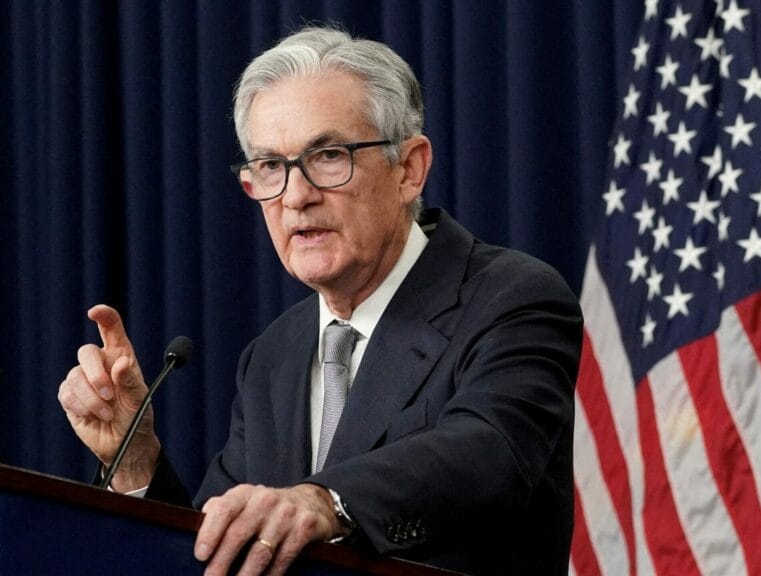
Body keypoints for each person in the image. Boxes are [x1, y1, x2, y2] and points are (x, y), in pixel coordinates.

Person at [57, 25, 582, 576]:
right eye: (269, 167)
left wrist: (324, 500)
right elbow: (221, 548)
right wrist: (137, 460)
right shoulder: (273, 356)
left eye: (329, 155)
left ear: (409, 169)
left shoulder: (511, 298)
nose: (297, 196)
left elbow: (487, 454)